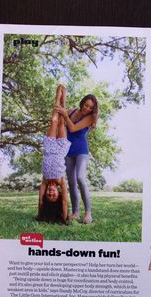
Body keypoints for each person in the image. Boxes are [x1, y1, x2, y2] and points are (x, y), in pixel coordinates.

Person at [55, 89, 99, 224]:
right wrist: (61, 97)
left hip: (81, 151)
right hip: (68, 150)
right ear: (82, 103)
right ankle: (75, 212)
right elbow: (60, 123)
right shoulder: (72, 111)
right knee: (72, 182)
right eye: (86, 105)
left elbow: (73, 128)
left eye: (91, 107)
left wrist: (65, 115)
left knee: (80, 177)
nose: (87, 108)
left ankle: (88, 214)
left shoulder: (91, 117)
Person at [38, 85, 71, 223]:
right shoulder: (61, 181)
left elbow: (40, 201)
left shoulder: (45, 180)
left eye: (48, 195)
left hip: (50, 148)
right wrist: (64, 218)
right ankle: (64, 97)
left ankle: (57, 97)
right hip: (61, 150)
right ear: (58, 193)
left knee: (54, 121)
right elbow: (64, 201)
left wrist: (41, 214)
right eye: (53, 194)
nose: (50, 192)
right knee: (62, 123)